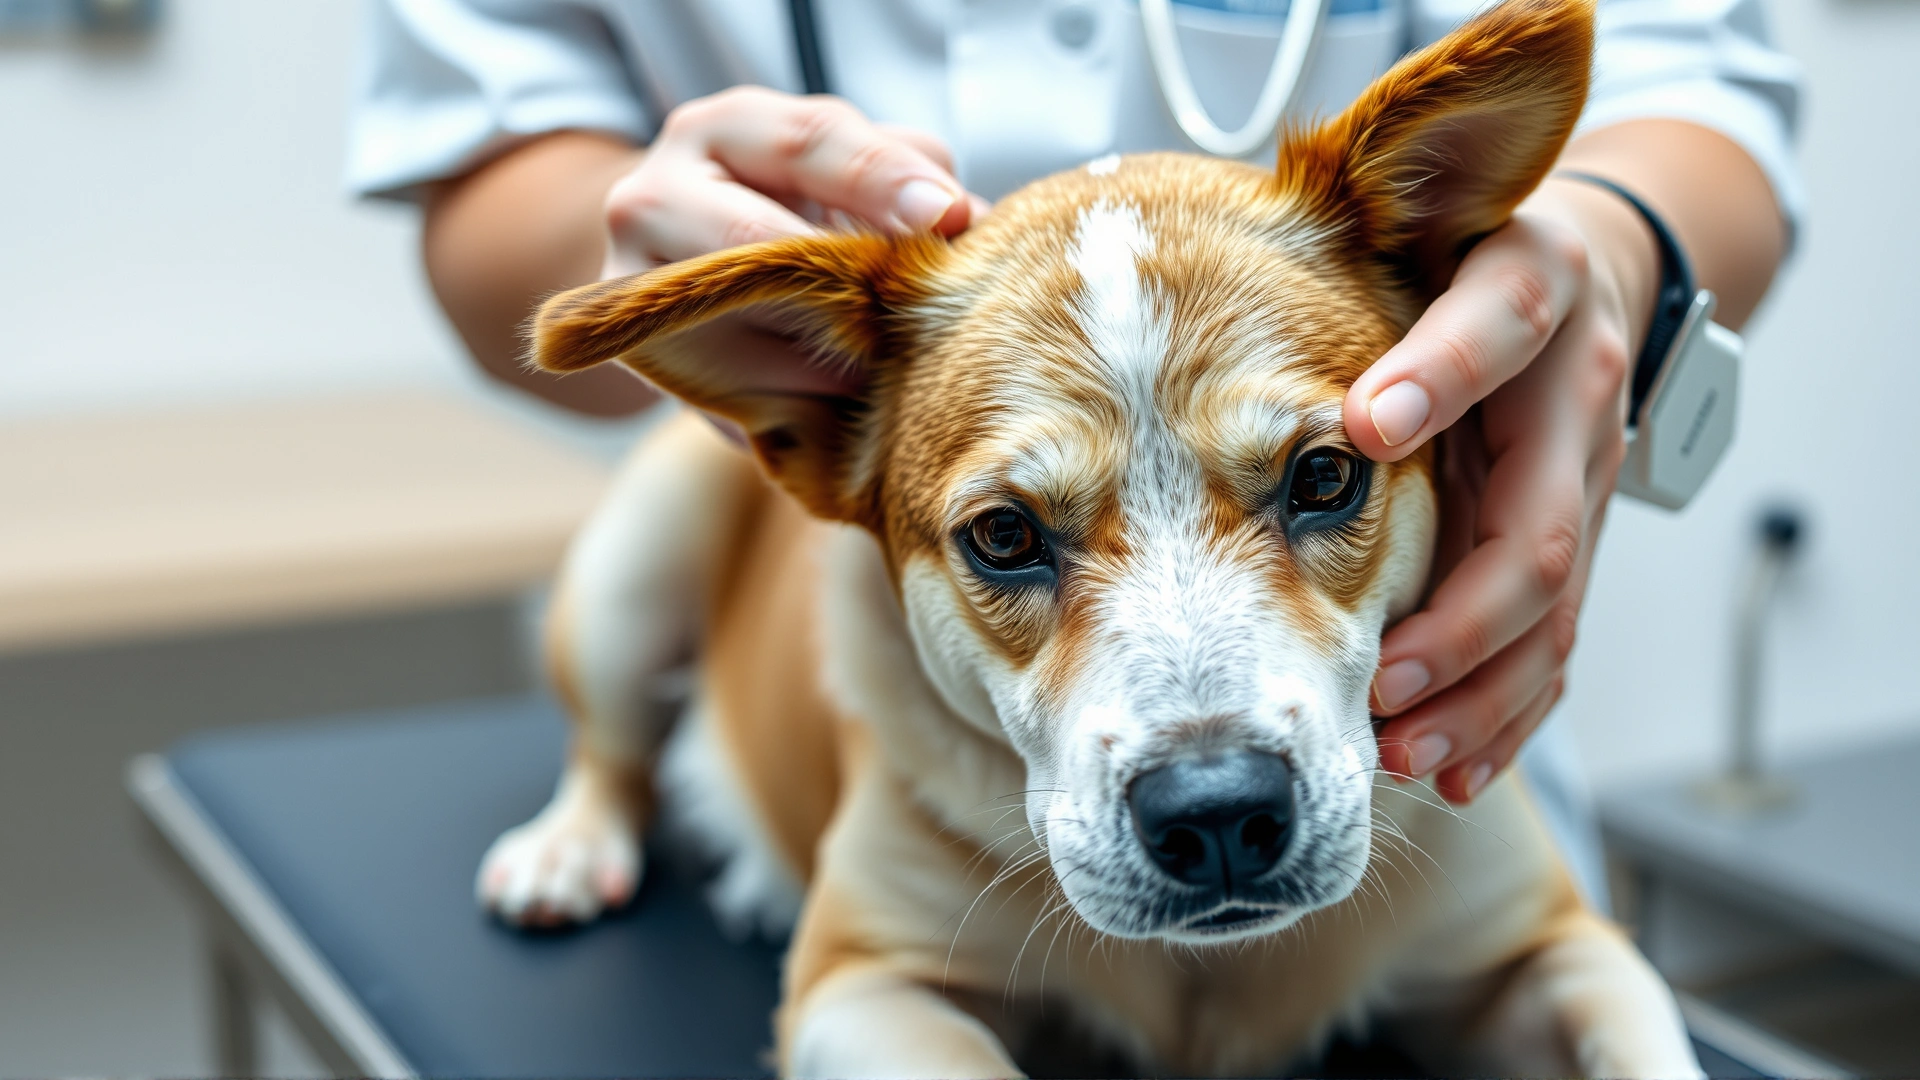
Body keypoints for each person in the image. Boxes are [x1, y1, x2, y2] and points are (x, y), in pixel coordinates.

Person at [347, 0, 1798, 899]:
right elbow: (486, 164)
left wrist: (1608, 245)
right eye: (1005, 535)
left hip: (1429, 766)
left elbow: (1699, 86)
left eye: (1315, 480)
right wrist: (636, 216)